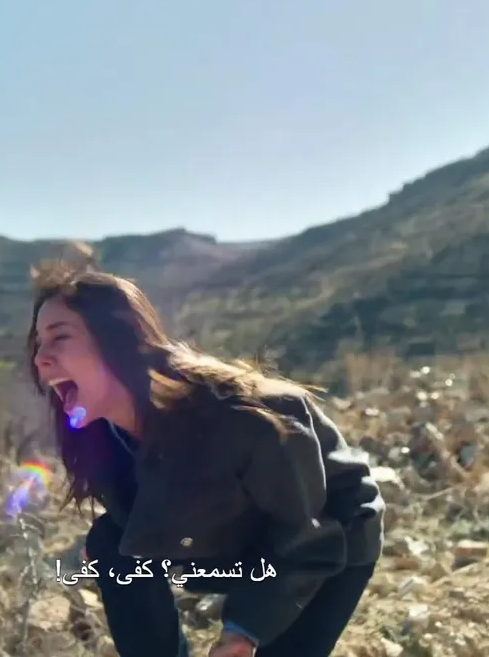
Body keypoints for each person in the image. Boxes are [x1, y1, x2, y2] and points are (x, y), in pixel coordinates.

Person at [28, 246, 384, 657]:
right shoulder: (102, 434)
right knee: (112, 543)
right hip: (236, 537)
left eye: (60, 337)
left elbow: (306, 540)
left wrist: (243, 630)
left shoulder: (244, 419)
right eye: (37, 343)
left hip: (327, 541)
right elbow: (142, 529)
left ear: (119, 340)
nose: (40, 359)